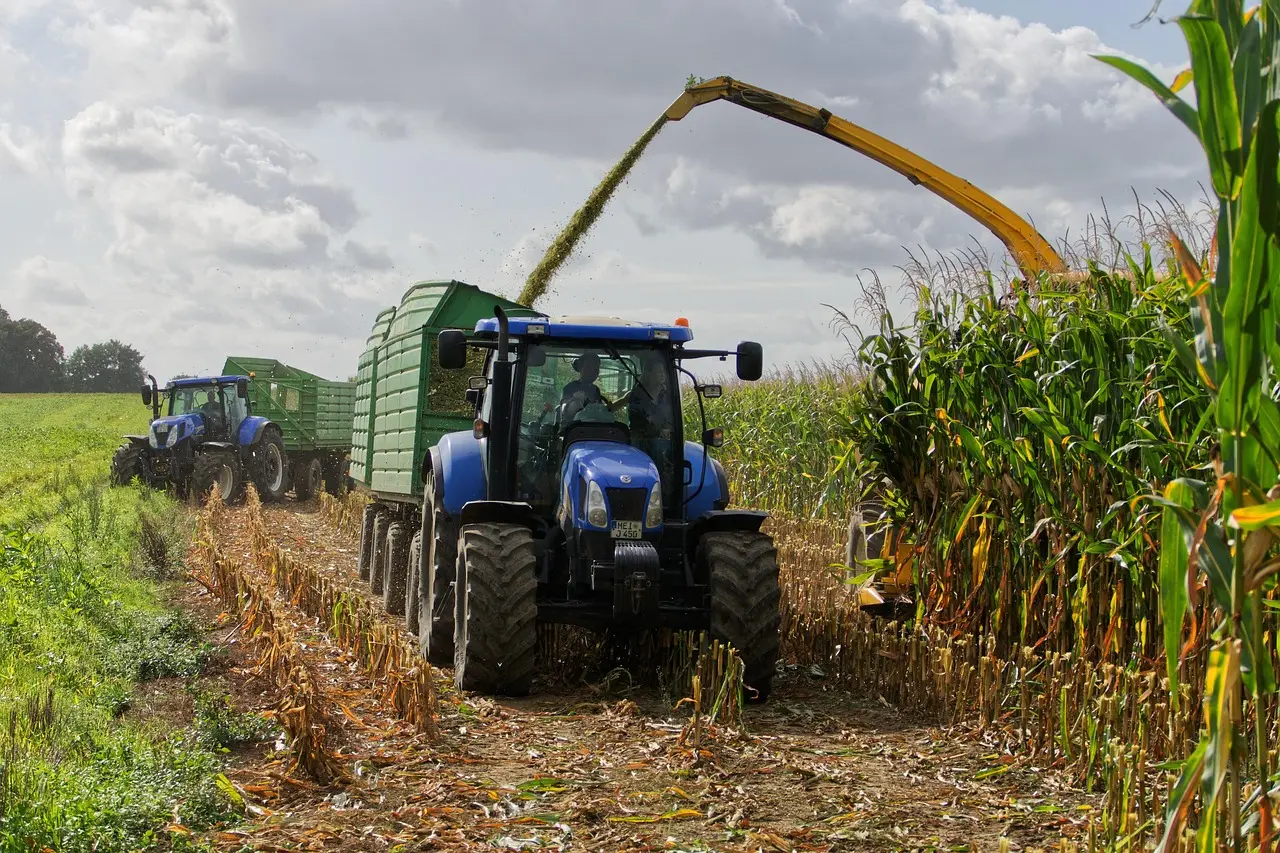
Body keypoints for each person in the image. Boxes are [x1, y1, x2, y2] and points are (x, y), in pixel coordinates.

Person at [560, 352, 625, 421]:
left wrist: (624, 399)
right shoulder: (570, 387)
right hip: (573, 429)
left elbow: (598, 412)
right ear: (580, 368)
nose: (592, 370)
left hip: (593, 428)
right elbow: (565, 409)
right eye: (588, 367)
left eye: (596, 368)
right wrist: (574, 402)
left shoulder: (596, 390)